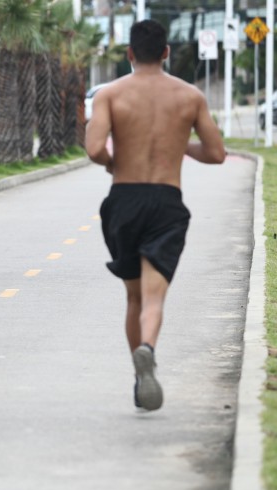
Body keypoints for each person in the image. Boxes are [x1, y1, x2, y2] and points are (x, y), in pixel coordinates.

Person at [85, 19, 226, 411]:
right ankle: (148, 346)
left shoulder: (111, 94)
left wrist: (115, 162)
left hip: (124, 200)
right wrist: (179, 146)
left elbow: (95, 148)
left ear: (130, 54)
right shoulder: (190, 96)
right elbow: (216, 153)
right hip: (167, 201)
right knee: (154, 297)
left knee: (132, 296)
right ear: (166, 52)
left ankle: (139, 372)